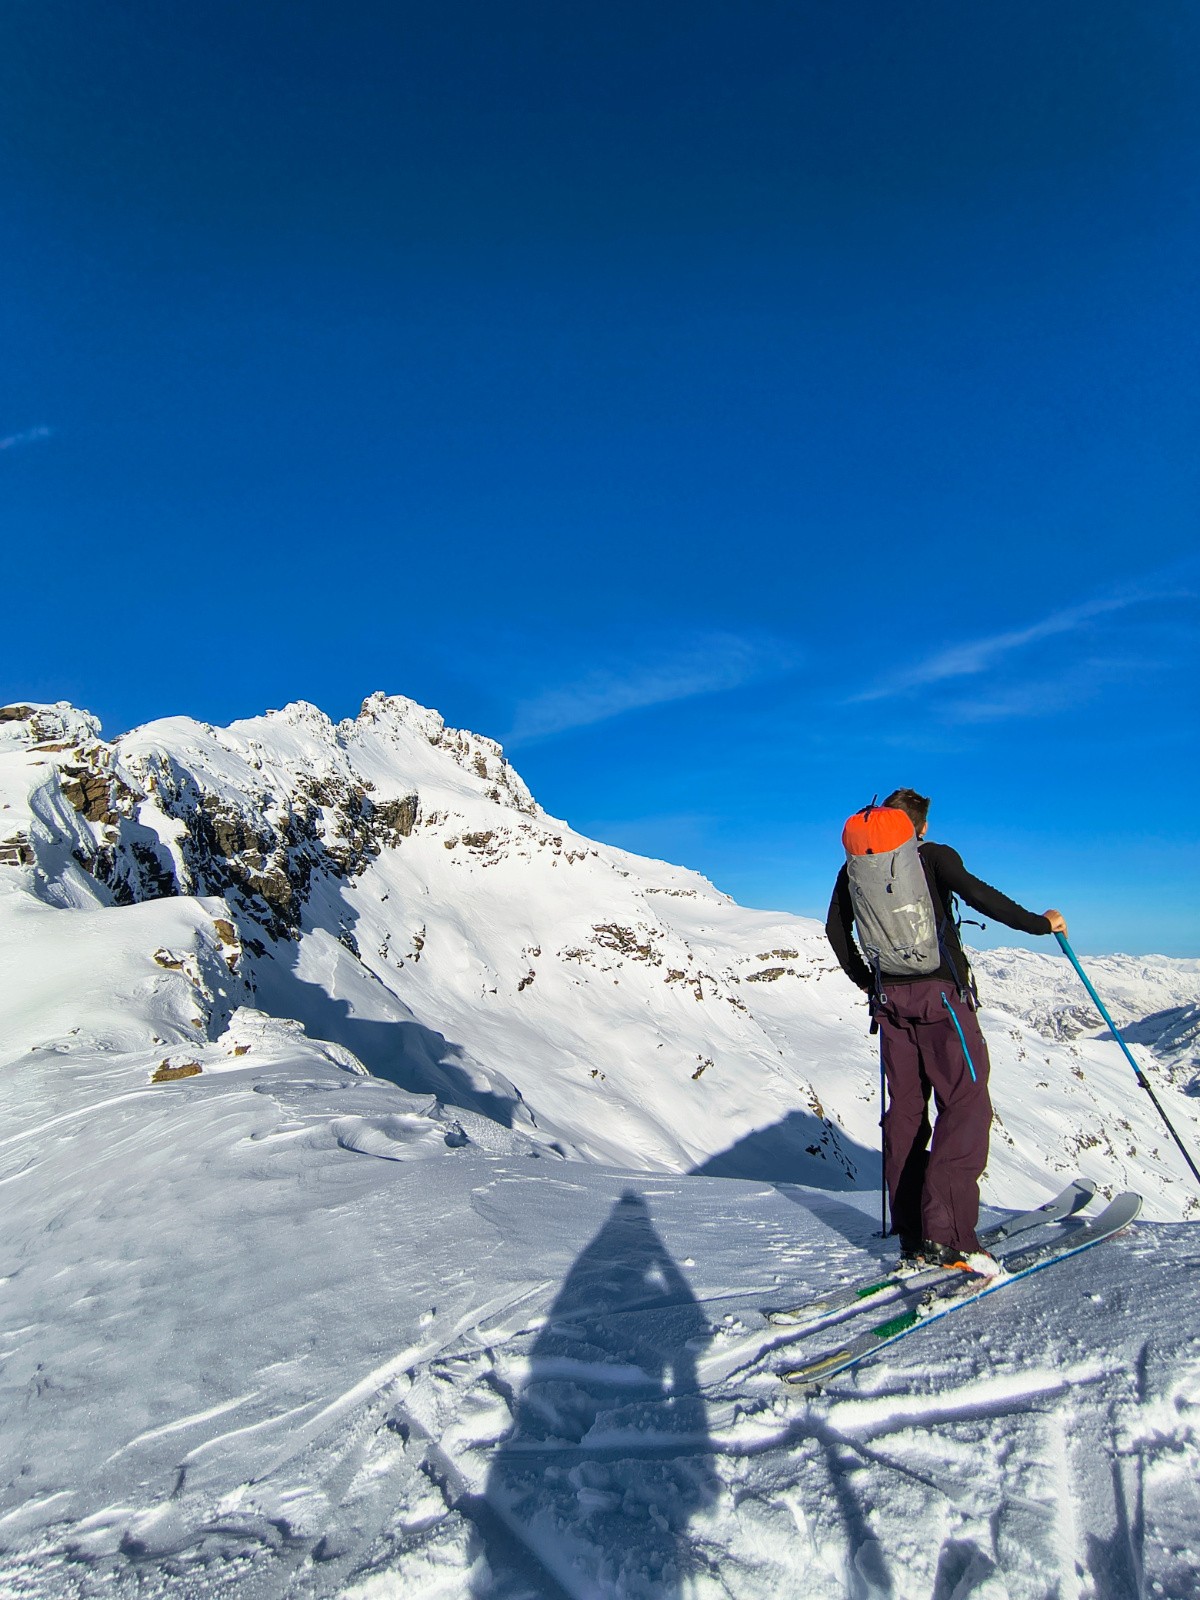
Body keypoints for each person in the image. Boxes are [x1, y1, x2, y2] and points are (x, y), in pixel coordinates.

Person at [825, 787, 1067, 1272]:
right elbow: (982, 897)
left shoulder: (854, 870)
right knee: (966, 1104)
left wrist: (870, 984)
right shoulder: (933, 856)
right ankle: (950, 1235)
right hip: (942, 1002)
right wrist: (1041, 925)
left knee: (908, 1111)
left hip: (889, 1005)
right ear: (921, 825)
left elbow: (835, 931)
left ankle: (914, 1234)